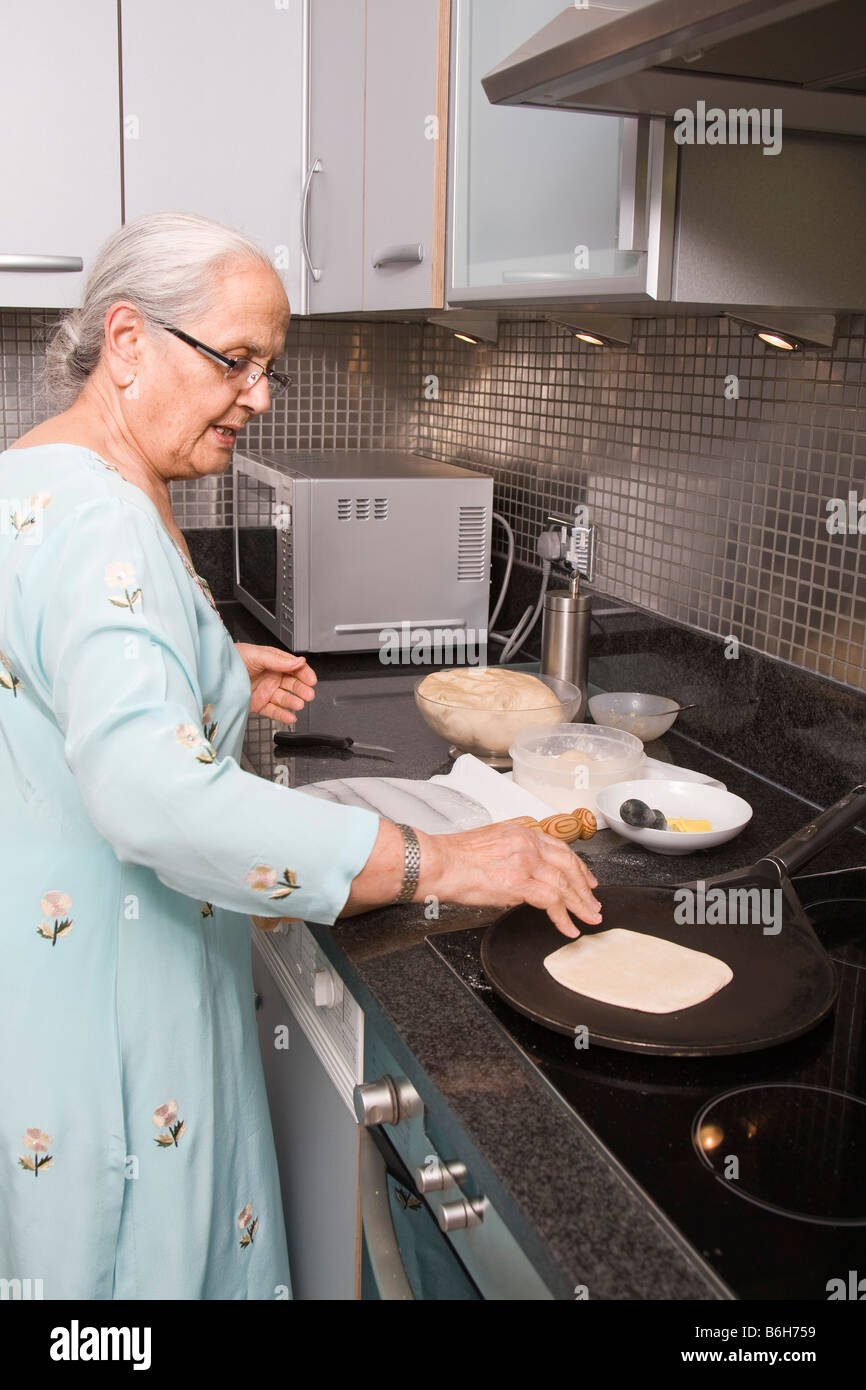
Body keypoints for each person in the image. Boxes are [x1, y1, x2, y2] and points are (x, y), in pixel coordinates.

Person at [0, 211, 601, 1301]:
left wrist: (210, 666)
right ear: (127, 341)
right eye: (236, 360)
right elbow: (149, 795)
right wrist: (439, 860)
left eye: (269, 366)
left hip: (48, 995)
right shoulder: (103, 518)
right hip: (123, 1031)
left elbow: (50, 676)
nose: (261, 395)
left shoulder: (37, 475)